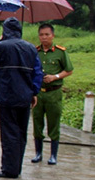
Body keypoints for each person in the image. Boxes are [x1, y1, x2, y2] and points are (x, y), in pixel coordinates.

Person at [0, 17, 44, 178]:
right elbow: (38, 72)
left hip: (7, 96)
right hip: (25, 97)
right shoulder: (31, 48)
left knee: (9, 133)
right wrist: (34, 92)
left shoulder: (0, 47)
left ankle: (9, 169)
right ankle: (17, 167)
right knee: (21, 132)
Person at [32, 23, 74, 165]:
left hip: (53, 92)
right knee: (37, 122)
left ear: (53, 36)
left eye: (47, 35)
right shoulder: (35, 52)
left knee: (53, 122)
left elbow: (69, 70)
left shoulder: (60, 52)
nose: (44, 37)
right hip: (38, 93)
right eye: (41, 35)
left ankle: (53, 155)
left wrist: (55, 77)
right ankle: (38, 153)